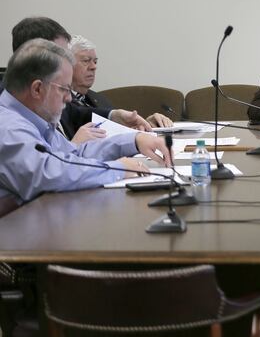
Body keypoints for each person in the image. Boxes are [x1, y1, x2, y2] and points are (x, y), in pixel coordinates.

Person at [0, 38, 172, 205]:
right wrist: (117, 169)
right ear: (37, 89)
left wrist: (134, 140)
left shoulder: (32, 119)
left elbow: (73, 156)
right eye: (64, 89)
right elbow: (47, 173)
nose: (68, 99)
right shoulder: (8, 127)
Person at [9, 17, 152, 144]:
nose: (69, 97)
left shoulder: (43, 96)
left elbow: (75, 113)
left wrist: (115, 117)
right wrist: (74, 148)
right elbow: (46, 169)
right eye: (61, 56)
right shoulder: (11, 121)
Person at [68, 35, 173, 129]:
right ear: (67, 64)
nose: (94, 67)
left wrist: (146, 125)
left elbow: (118, 131)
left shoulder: (99, 99)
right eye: (86, 61)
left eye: (95, 62)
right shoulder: (61, 103)